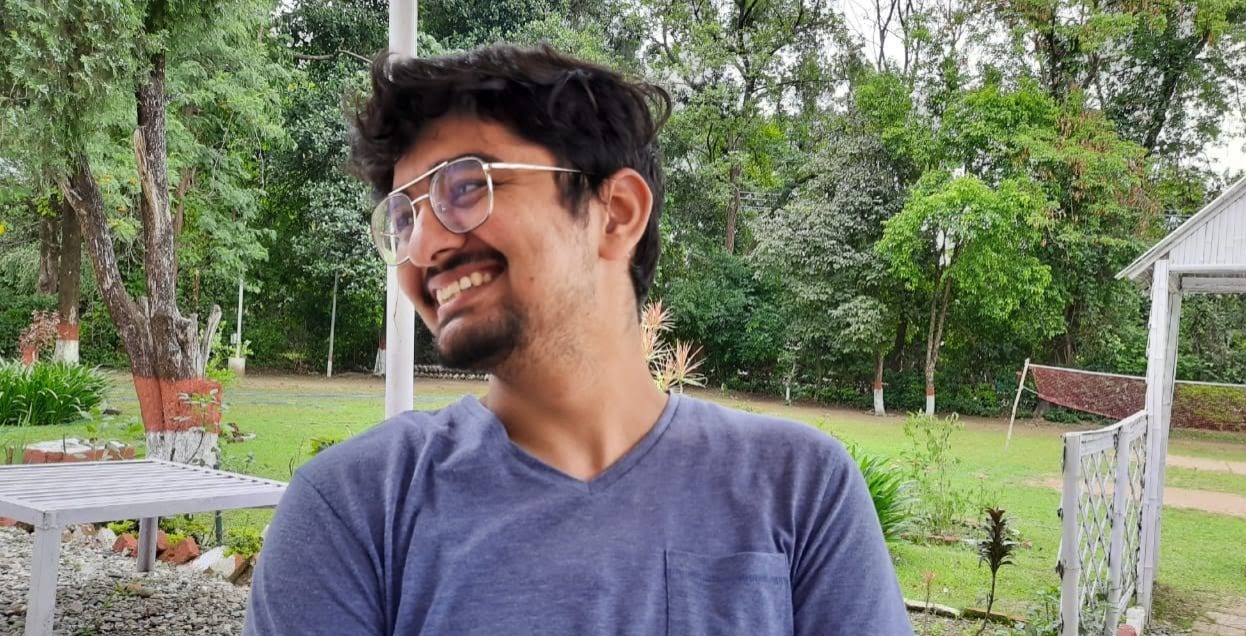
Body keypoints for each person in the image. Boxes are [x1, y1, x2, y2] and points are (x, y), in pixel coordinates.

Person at [243, 44, 911, 635]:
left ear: (615, 214)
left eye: (466, 186)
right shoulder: (356, 508)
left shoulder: (798, 489)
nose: (422, 246)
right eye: (403, 219)